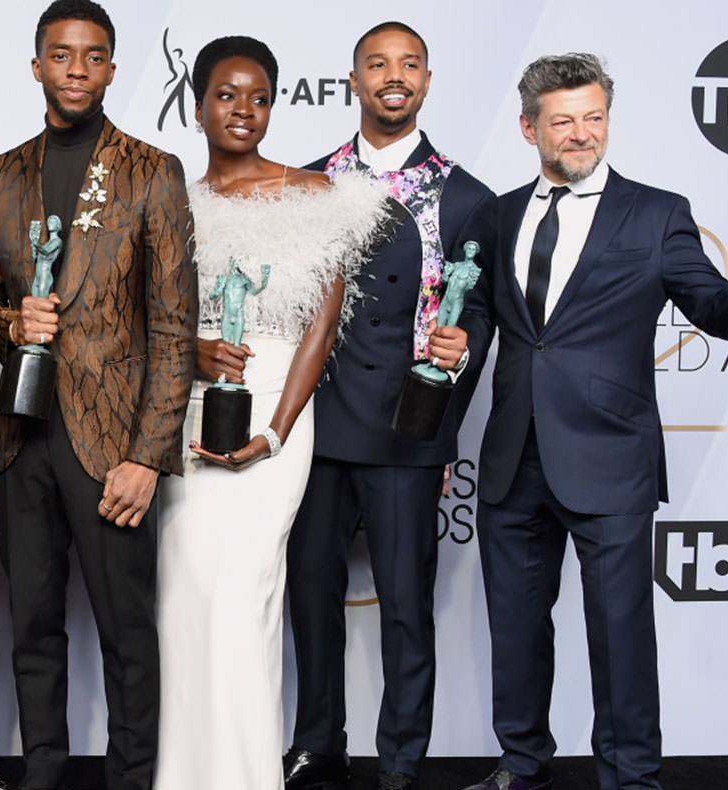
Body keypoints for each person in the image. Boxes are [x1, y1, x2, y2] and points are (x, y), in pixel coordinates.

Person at [462, 53, 728, 790]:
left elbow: (711, 302)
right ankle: (522, 766)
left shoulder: (656, 212)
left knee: (621, 637)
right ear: (529, 128)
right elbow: (481, 323)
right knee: (515, 632)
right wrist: (454, 348)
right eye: (564, 121)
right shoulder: (496, 215)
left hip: (610, 456)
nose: (582, 133)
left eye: (594, 117)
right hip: (512, 456)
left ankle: (631, 778)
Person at [0, 2, 196, 788]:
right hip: (18, 440)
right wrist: (11, 321)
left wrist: (148, 456)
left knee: (128, 633)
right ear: (37, 65)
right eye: (61, 55)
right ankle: (44, 773)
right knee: (32, 627)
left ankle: (134, 778)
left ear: (111, 70)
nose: (76, 69)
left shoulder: (152, 171)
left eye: (92, 56)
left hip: (113, 447)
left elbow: (174, 327)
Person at [153, 36, 386, 790]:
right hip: (191, 412)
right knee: (187, 595)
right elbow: (149, 320)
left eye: (259, 98)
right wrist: (191, 352)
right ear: (196, 107)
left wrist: (276, 432)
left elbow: (322, 325)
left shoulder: (316, 194)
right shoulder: (172, 204)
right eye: (226, 95)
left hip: (279, 413)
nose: (243, 110)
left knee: (243, 595)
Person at [284, 21, 496, 790]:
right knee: (312, 597)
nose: (393, 76)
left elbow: (481, 314)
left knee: (407, 605)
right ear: (355, 80)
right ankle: (317, 746)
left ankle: (403, 760)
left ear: (427, 81)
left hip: (410, 430)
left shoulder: (466, 196)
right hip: (319, 428)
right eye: (378, 64)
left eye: (409, 64)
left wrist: (460, 349)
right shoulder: (311, 183)